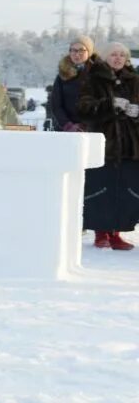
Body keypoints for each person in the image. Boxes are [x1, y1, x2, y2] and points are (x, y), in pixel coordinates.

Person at [78, 42, 139, 250]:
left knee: (123, 189)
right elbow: (83, 108)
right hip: (103, 140)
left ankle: (116, 233)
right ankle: (100, 232)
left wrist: (136, 112)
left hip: (129, 144)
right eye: (114, 54)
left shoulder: (133, 80)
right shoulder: (93, 78)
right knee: (101, 187)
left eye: (122, 55)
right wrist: (109, 105)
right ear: (105, 57)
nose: (118, 58)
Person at [48, 35, 96, 132]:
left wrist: (86, 125)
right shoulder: (63, 75)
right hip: (66, 129)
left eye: (81, 50)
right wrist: (68, 125)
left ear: (89, 52)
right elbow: (56, 105)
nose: (77, 54)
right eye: (73, 50)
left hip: (92, 130)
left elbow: (102, 103)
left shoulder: (98, 74)